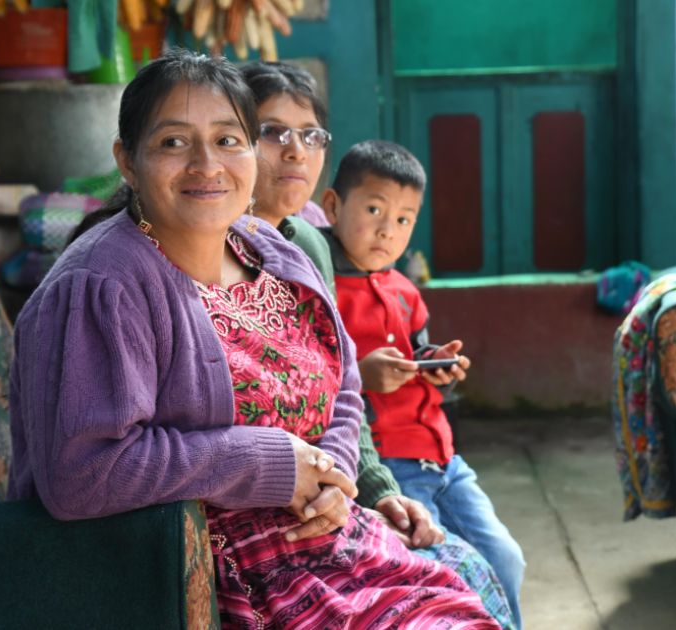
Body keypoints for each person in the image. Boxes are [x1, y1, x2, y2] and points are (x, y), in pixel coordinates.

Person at [7, 49, 500, 629]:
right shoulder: (103, 284)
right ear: (127, 161)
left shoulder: (274, 252)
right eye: (172, 143)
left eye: (227, 140)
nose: (205, 165)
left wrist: (334, 477)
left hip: (327, 541)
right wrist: (263, 461)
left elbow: (341, 379)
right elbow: (80, 473)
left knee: (477, 588)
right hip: (203, 578)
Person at [238, 60, 516, 628]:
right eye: (272, 132)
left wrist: (372, 489)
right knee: (450, 576)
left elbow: (337, 387)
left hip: (375, 473)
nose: (295, 151)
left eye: (309, 135)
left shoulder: (306, 244)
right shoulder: (197, 254)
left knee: (493, 565)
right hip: (269, 506)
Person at [318, 139, 526, 625]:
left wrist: (439, 367)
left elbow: (419, 358)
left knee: (507, 558)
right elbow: (321, 381)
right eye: (373, 209)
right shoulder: (324, 289)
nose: (387, 230)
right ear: (332, 206)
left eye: (404, 219)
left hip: (445, 459)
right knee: (445, 573)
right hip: (389, 463)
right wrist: (364, 376)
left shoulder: (406, 292)